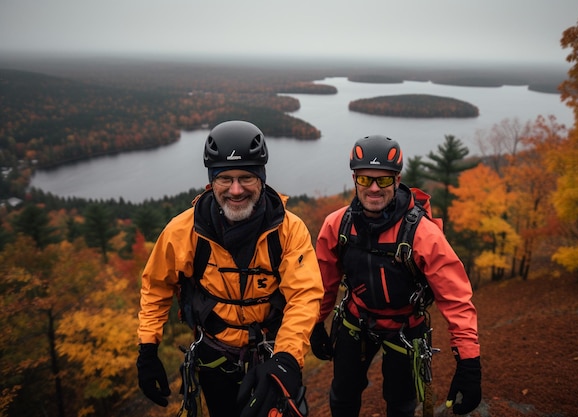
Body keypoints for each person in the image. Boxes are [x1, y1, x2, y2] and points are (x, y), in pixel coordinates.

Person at [136, 120, 324, 417]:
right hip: (214, 355)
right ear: (211, 182)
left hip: (272, 351)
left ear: (262, 179)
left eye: (246, 177)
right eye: (225, 178)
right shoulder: (184, 231)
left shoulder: (288, 230)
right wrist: (147, 348)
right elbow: (157, 286)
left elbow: (305, 294)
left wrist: (287, 357)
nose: (236, 190)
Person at [311, 135, 481, 417]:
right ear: (354, 179)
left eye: (384, 180)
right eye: (365, 180)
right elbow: (324, 282)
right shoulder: (338, 225)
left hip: (406, 326)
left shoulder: (422, 234)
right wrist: (316, 322)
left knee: (401, 404)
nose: (374, 188)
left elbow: (456, 298)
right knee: (342, 395)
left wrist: (469, 362)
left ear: (398, 180)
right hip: (356, 319)